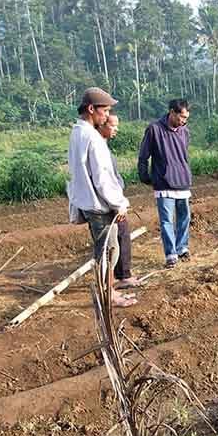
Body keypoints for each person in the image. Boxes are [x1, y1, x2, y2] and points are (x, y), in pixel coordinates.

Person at [67, 87, 137, 308]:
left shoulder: (77, 133)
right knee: (108, 251)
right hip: (99, 205)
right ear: (91, 109)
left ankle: (110, 291)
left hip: (88, 202)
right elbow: (102, 177)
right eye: (104, 111)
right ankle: (108, 295)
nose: (107, 116)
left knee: (104, 250)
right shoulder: (92, 138)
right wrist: (120, 204)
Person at [138, 99, 192, 269]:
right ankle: (171, 254)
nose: (183, 121)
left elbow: (183, 156)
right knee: (167, 220)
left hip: (182, 180)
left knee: (185, 217)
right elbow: (143, 155)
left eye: (186, 118)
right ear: (172, 112)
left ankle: (182, 247)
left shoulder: (185, 131)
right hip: (163, 182)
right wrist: (145, 176)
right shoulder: (154, 129)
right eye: (181, 117)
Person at [97, 113, 142, 292]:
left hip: (113, 201)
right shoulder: (97, 147)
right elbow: (103, 181)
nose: (116, 129)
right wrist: (116, 205)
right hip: (108, 204)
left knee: (120, 237)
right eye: (113, 125)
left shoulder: (103, 146)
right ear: (101, 124)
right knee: (113, 242)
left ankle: (123, 275)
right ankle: (117, 280)